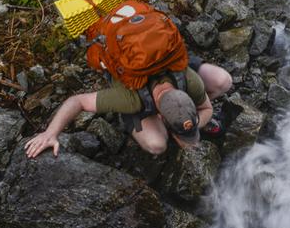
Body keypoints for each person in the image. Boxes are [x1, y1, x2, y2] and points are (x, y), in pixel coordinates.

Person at [24, 58, 232, 158]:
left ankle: (180, 125)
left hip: (162, 62)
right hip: (131, 77)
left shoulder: (191, 81)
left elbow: (206, 108)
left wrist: (194, 124)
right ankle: (133, 122)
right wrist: (51, 133)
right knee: (157, 144)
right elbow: (76, 101)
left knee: (223, 81)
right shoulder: (130, 99)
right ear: (160, 116)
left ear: (187, 95)